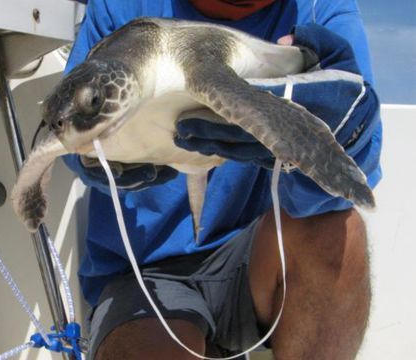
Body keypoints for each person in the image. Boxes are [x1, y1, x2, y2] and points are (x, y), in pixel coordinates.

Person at [63, 0, 382, 359]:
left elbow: (356, 172)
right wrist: (98, 163)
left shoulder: (318, 8)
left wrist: (345, 132)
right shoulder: (122, 6)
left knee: (339, 230)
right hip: (142, 271)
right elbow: (67, 127)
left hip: (255, 256)